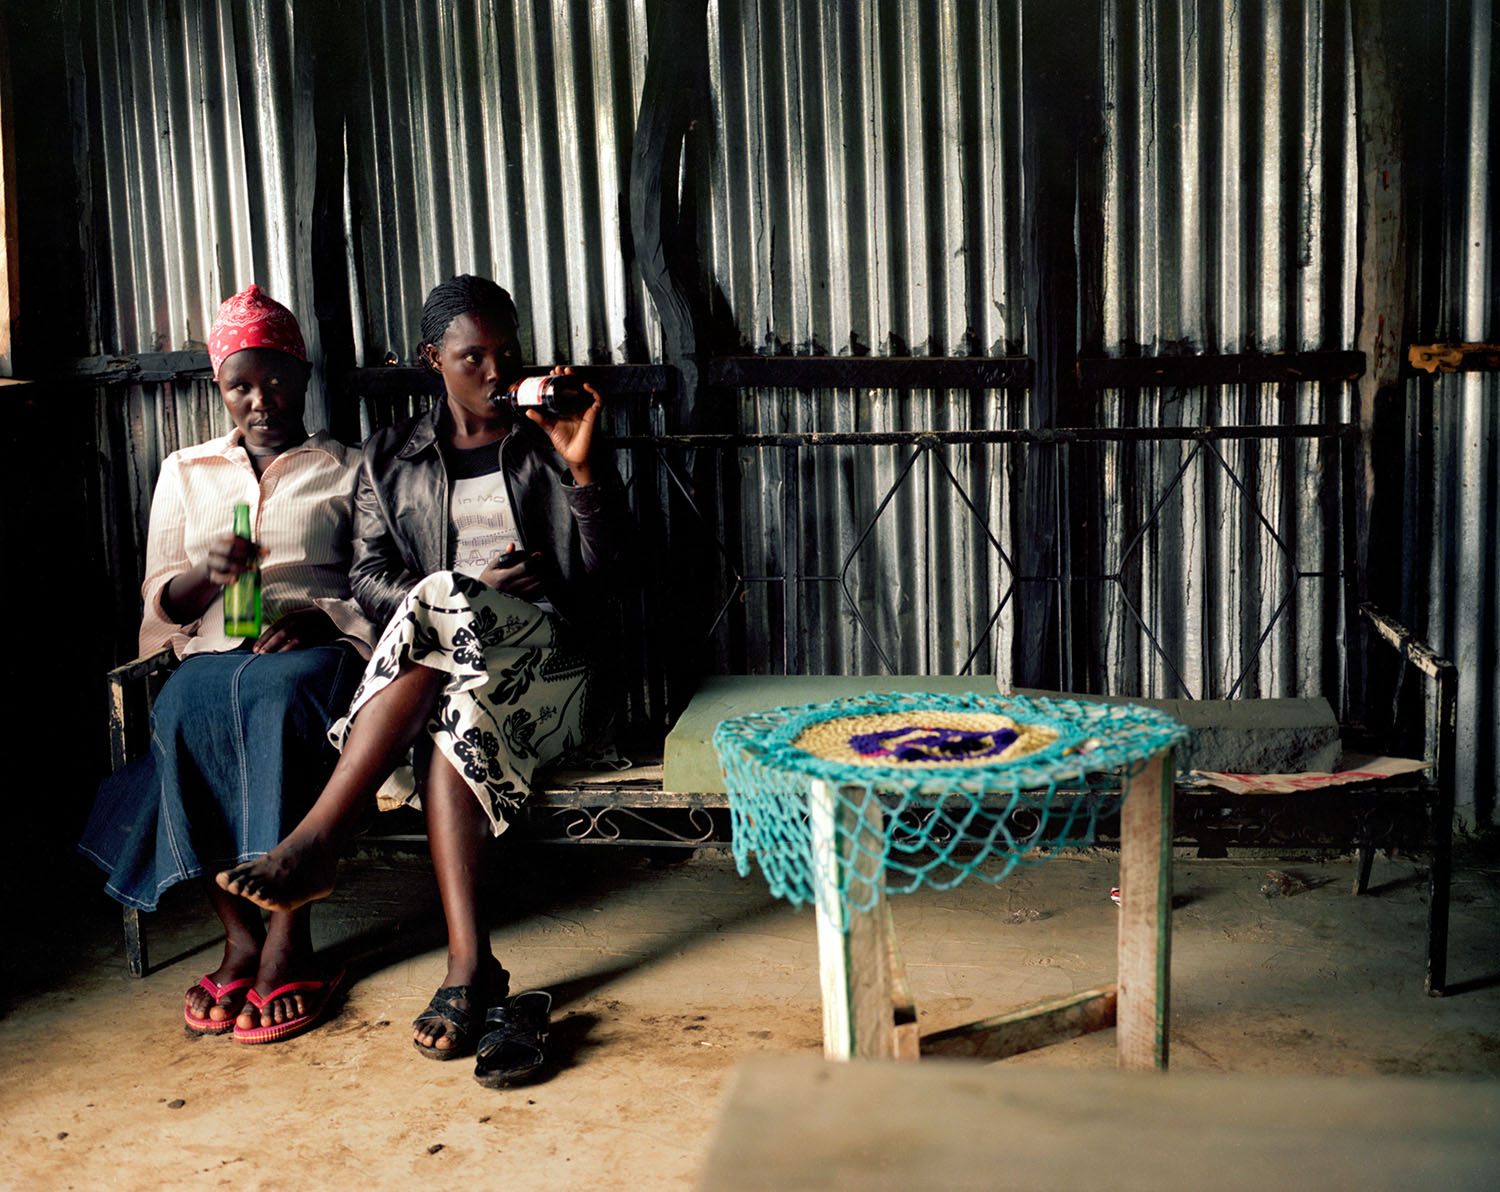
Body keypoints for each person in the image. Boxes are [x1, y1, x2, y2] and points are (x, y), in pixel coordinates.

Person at [218, 274, 627, 1082]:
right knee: (450, 714)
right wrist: (466, 599)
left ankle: (315, 841)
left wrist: (580, 470)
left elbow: (610, 583)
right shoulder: (389, 457)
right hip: (453, 683)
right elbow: (367, 577)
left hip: (551, 671)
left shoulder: (550, 434)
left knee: (441, 596)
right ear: (431, 359)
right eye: (473, 355)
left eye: (507, 353)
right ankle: (471, 970)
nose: (495, 370)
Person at [80, 285, 376, 1043]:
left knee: (278, 705)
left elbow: (378, 584)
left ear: (303, 378)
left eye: (275, 380)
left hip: (317, 657)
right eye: (240, 384)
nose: (260, 399)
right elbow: (161, 601)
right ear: (220, 388)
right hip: (216, 647)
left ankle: (289, 943)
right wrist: (206, 576)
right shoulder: (186, 471)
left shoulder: (346, 467)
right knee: (183, 706)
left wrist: (326, 618)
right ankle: (240, 937)